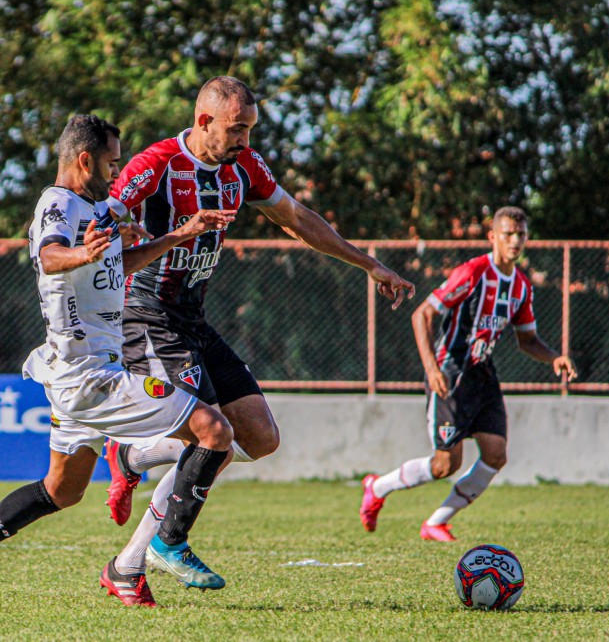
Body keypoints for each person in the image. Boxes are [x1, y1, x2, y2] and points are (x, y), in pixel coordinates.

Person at [88, 76, 415, 607]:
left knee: (259, 438)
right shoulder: (156, 164)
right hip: (145, 315)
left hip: (191, 316)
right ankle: (162, 544)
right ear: (203, 122)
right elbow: (106, 219)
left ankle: (131, 475)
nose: (244, 138)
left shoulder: (245, 167)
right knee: (210, 435)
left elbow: (297, 219)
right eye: (236, 128)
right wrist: (114, 233)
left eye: (250, 128)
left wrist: (369, 264)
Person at [0, 114, 238, 608]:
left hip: (84, 373)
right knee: (214, 431)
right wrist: (82, 254)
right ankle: (166, 542)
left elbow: (115, 265)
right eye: (112, 161)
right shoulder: (57, 204)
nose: (118, 170)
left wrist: (177, 235)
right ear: (84, 160)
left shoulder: (100, 206)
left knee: (61, 490)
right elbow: (50, 257)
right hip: (89, 376)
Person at [358, 206, 577, 541]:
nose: (515, 240)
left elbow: (528, 340)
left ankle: (436, 522)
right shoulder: (473, 272)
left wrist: (554, 359)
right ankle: (378, 487)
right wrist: (432, 369)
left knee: (495, 454)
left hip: (483, 372)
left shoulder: (520, 286)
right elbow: (422, 315)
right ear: (493, 237)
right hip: (451, 370)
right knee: (445, 465)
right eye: (508, 234)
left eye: (521, 234)